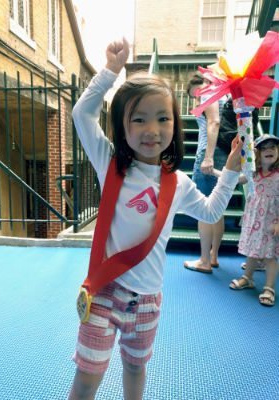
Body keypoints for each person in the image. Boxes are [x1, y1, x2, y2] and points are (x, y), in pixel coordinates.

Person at [69, 38, 243, 400]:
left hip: (148, 300)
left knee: (136, 368)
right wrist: (111, 71)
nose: (152, 129)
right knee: (88, 378)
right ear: (122, 127)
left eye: (163, 118)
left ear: (175, 124)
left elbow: (210, 211)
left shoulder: (177, 184)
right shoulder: (111, 163)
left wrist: (228, 173)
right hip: (104, 292)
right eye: (139, 119)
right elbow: (81, 115)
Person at [183, 73, 229, 273]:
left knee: (203, 207)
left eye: (193, 94)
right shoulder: (224, 94)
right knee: (217, 209)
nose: (195, 98)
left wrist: (208, 156)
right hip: (224, 152)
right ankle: (213, 256)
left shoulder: (207, 91)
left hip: (209, 153)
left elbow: (214, 122)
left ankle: (203, 260)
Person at [228, 134, 279, 306]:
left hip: (271, 222)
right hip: (254, 221)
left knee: (270, 256)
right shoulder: (253, 173)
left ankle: (269, 287)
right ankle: (248, 278)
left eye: (273, 147)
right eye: (264, 148)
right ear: (257, 154)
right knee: (252, 251)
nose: (269, 150)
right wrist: (216, 172)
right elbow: (234, 179)